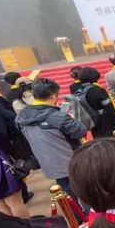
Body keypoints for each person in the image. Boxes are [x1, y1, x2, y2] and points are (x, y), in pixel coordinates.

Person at [17, 78, 88, 210]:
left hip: (49, 163)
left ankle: (78, 219)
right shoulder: (56, 116)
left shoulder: (21, 116)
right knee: (85, 192)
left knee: (66, 192)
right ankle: (92, 218)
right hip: (71, 160)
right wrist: (71, 118)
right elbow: (80, 131)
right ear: (53, 95)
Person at [78, 66, 115, 139]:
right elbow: (110, 108)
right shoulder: (99, 90)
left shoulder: (80, 91)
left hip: (94, 123)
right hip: (107, 122)